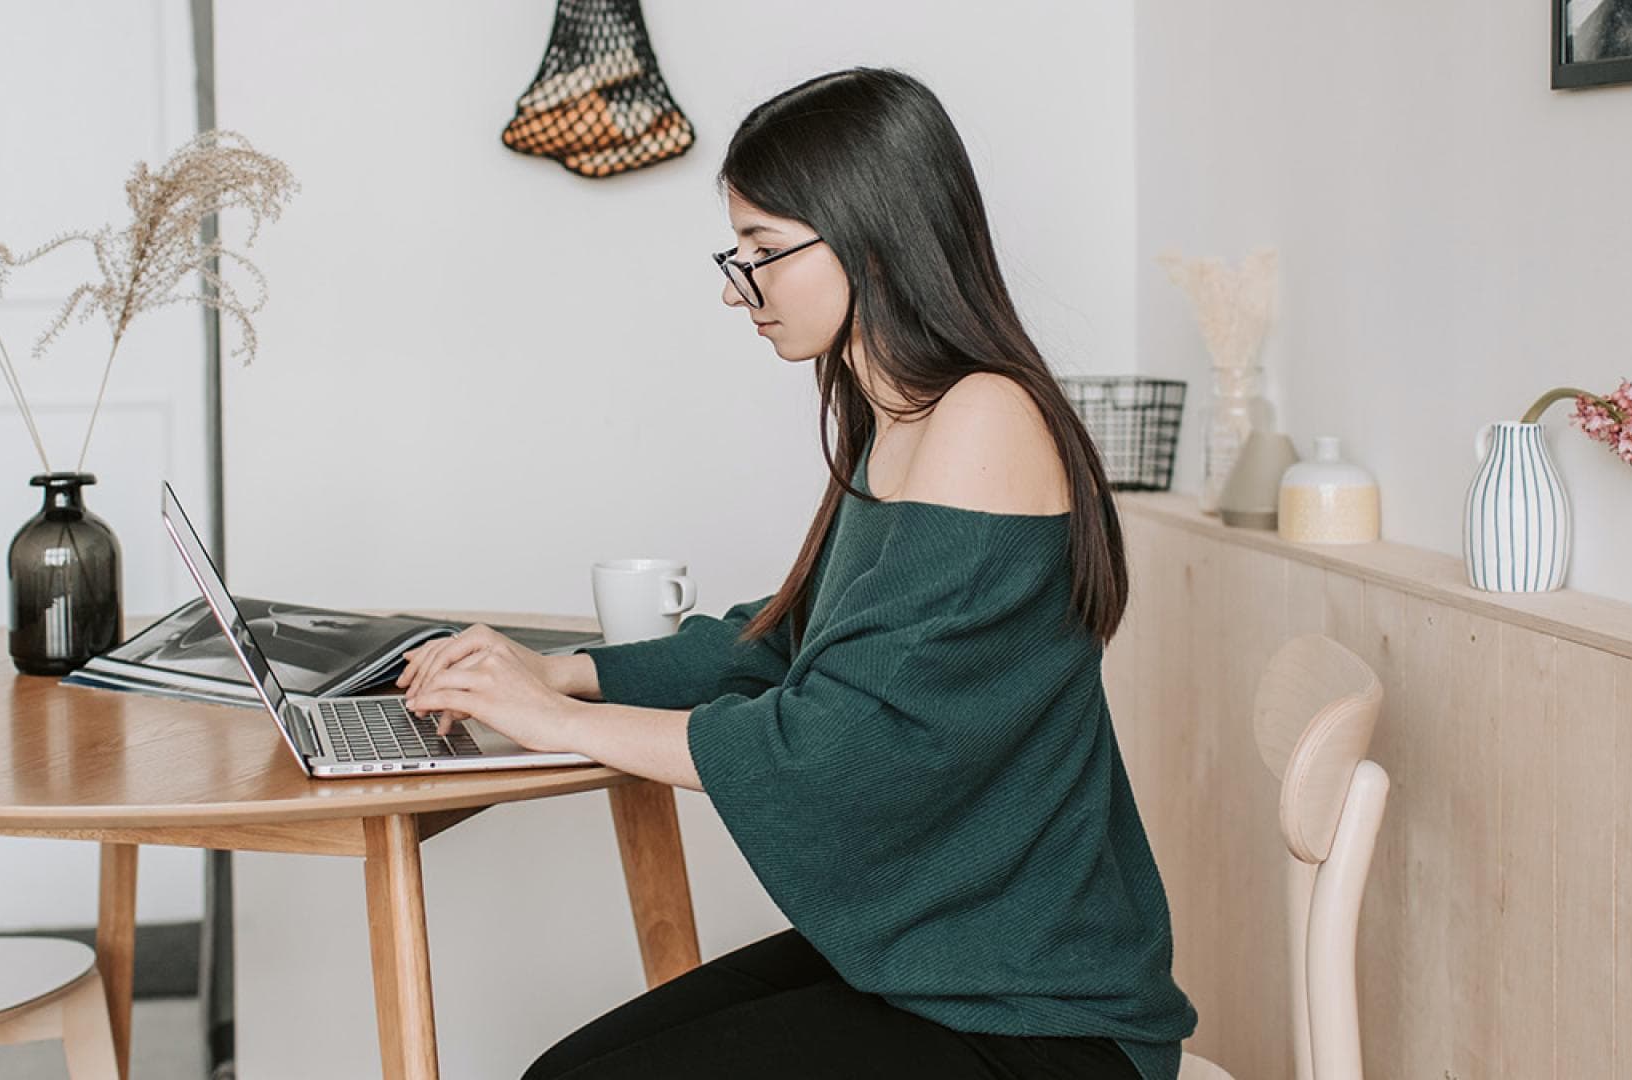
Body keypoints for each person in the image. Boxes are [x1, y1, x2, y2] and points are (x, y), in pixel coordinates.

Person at [397, 67, 1197, 1080]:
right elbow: (786, 641)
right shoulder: (899, 418)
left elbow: (838, 751)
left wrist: (556, 723)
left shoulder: (983, 419)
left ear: (873, 236)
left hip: (1042, 1016)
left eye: (767, 253)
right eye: (740, 254)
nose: (741, 287)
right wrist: (567, 672)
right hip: (937, 960)